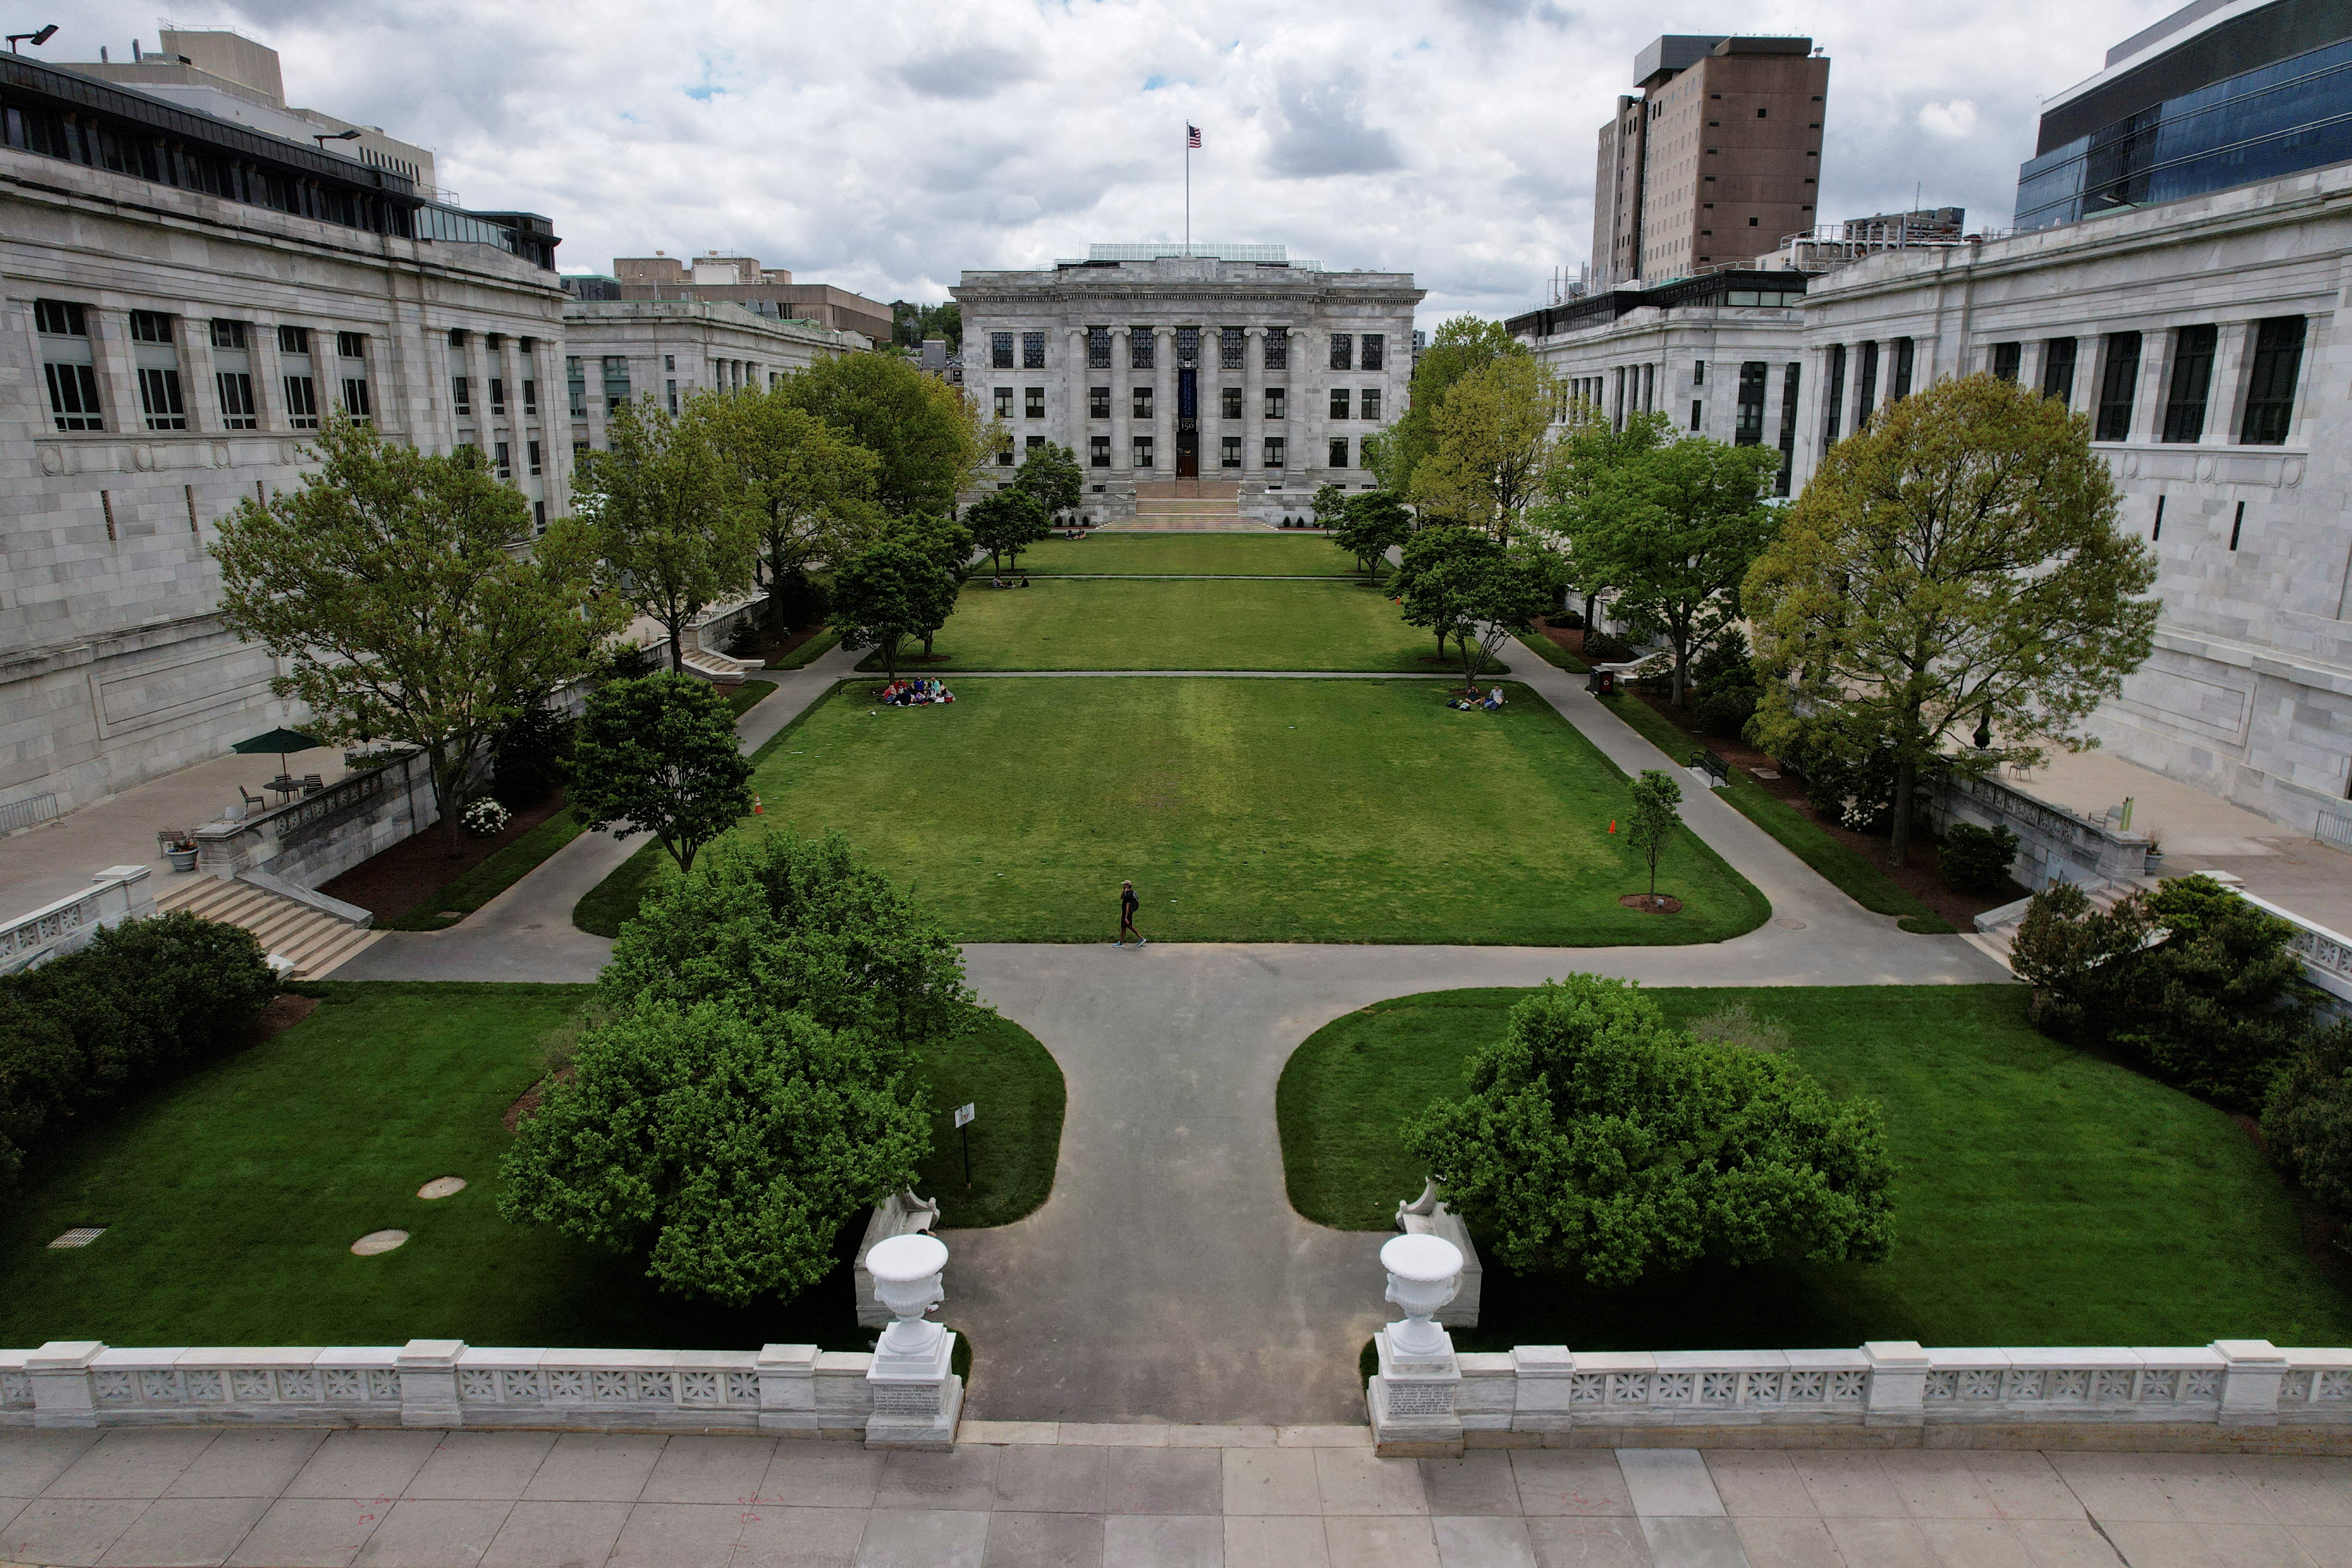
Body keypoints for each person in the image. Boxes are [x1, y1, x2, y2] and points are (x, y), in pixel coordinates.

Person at [1115, 879, 1144, 946]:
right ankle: (1140, 938)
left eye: (1124, 885)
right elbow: (1121, 898)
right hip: (1127, 914)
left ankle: (1121, 943)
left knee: (1125, 927)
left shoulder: (1129, 895)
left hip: (1126, 914)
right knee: (1128, 927)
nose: (1123, 886)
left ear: (1127, 886)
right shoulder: (1128, 893)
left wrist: (1126, 918)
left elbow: (1128, 907)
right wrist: (1123, 891)